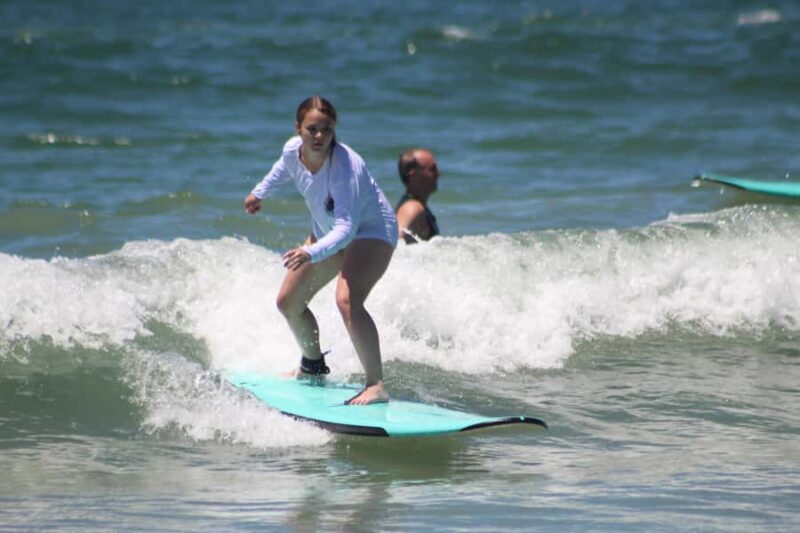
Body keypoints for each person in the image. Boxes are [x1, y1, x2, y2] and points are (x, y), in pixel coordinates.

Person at [243, 96, 398, 405]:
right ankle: (313, 366)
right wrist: (259, 193)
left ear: (333, 130)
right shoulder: (292, 150)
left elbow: (347, 229)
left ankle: (376, 385)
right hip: (329, 233)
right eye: (311, 129)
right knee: (289, 302)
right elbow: (282, 169)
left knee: (347, 300)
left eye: (325, 130)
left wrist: (311, 252)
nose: (318, 136)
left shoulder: (345, 167)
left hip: (370, 232)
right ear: (298, 128)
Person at [395, 148, 440, 243]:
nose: (438, 174)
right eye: (432, 169)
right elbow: (394, 242)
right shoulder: (412, 208)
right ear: (413, 174)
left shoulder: (416, 206)